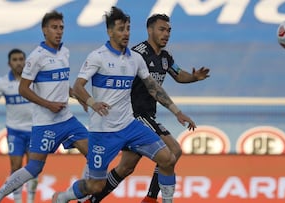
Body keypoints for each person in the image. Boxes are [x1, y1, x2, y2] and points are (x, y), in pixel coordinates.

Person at [52, 6, 196, 203]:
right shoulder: (98, 57)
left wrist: (177, 112)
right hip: (103, 132)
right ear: (110, 32)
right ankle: (64, 196)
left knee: (169, 158)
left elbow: (153, 88)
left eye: (128, 28)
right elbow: (78, 87)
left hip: (130, 126)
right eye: (121, 29)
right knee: (96, 185)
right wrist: (93, 103)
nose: (126, 33)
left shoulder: (135, 59)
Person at [86, 13, 210, 203]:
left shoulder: (165, 57)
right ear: (149, 30)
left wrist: (194, 77)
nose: (166, 34)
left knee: (126, 168)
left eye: (169, 30)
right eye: (162, 29)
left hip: (147, 115)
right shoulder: (137, 54)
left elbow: (178, 74)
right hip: (135, 115)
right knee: (173, 150)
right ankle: (151, 199)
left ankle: (91, 200)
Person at [0, 10, 89, 203]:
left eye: (61, 28)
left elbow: (61, 84)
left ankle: (78, 196)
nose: (59, 31)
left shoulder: (65, 52)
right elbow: (23, 89)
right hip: (45, 123)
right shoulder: (36, 57)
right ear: (44, 31)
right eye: (54, 28)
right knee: (34, 167)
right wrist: (48, 104)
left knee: (95, 156)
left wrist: (79, 97)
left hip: (67, 119)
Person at [0, 48, 38, 203]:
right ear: (9, 63)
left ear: (25, 61)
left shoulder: (33, 80)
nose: (18, 63)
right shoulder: (3, 82)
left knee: (34, 167)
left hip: (35, 129)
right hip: (15, 130)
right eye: (15, 60)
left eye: (21, 59)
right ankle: (18, 201)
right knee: (15, 167)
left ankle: (30, 200)